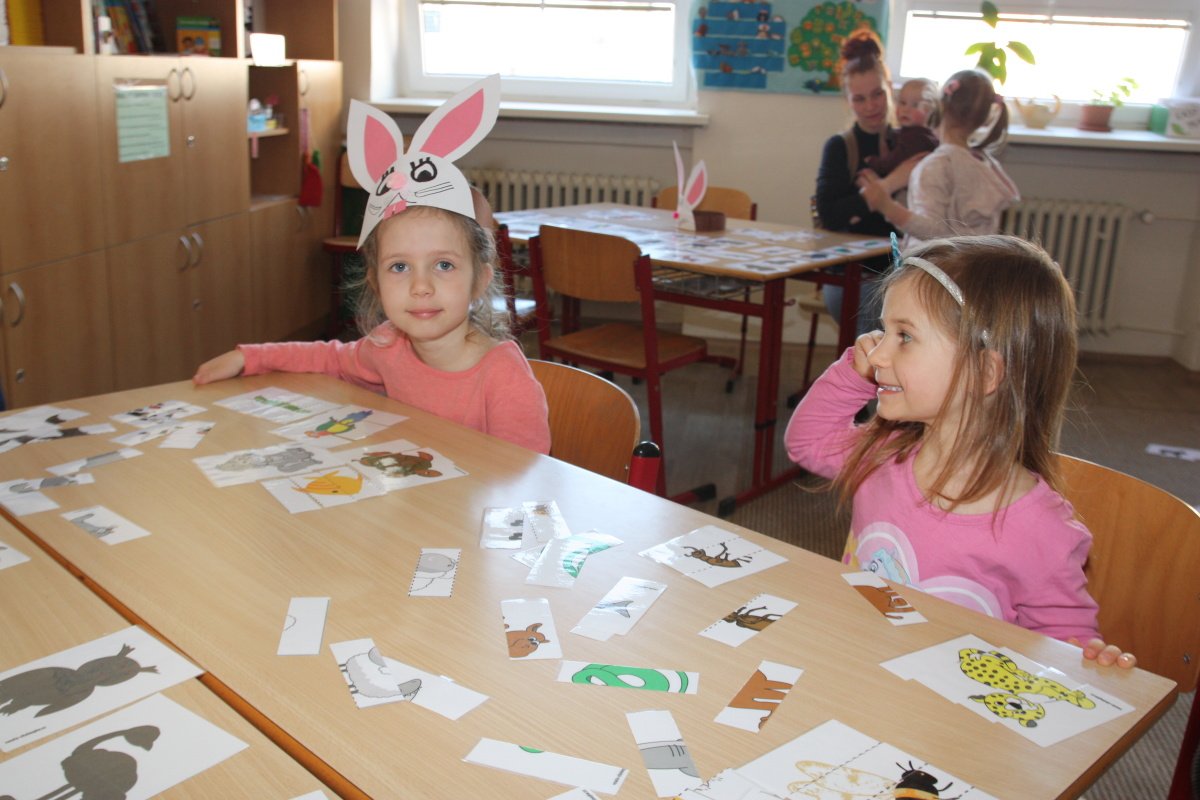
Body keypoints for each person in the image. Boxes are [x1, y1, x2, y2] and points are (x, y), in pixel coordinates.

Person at [785, 235, 1135, 667]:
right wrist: (852, 376)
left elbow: (1063, 641)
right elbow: (807, 442)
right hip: (858, 662)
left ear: (984, 372)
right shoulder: (883, 453)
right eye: (883, 331)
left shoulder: (1040, 528)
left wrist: (1089, 659)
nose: (876, 354)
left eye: (904, 336)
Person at [193, 188, 552, 454]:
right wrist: (250, 357)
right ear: (375, 283)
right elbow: (329, 358)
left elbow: (526, 482)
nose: (421, 286)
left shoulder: (504, 377)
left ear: (480, 280)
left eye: (444, 265)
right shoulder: (388, 344)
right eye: (399, 266)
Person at [814, 30, 920, 337]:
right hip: (851, 275)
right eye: (859, 99)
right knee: (881, 317)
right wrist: (889, 185)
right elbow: (830, 215)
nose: (871, 106)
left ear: (889, 90)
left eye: (877, 94)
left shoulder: (911, 142)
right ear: (848, 102)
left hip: (902, 271)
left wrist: (861, 204)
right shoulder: (840, 147)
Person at [859, 69, 1019, 247]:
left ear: (940, 107)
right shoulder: (985, 163)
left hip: (937, 263)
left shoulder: (937, 165)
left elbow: (936, 233)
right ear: (984, 118)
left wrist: (887, 207)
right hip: (972, 261)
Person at [865, 77, 940, 178]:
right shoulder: (919, 133)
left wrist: (872, 161)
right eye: (902, 103)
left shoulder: (917, 139)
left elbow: (892, 163)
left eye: (915, 105)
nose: (906, 110)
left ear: (929, 111)